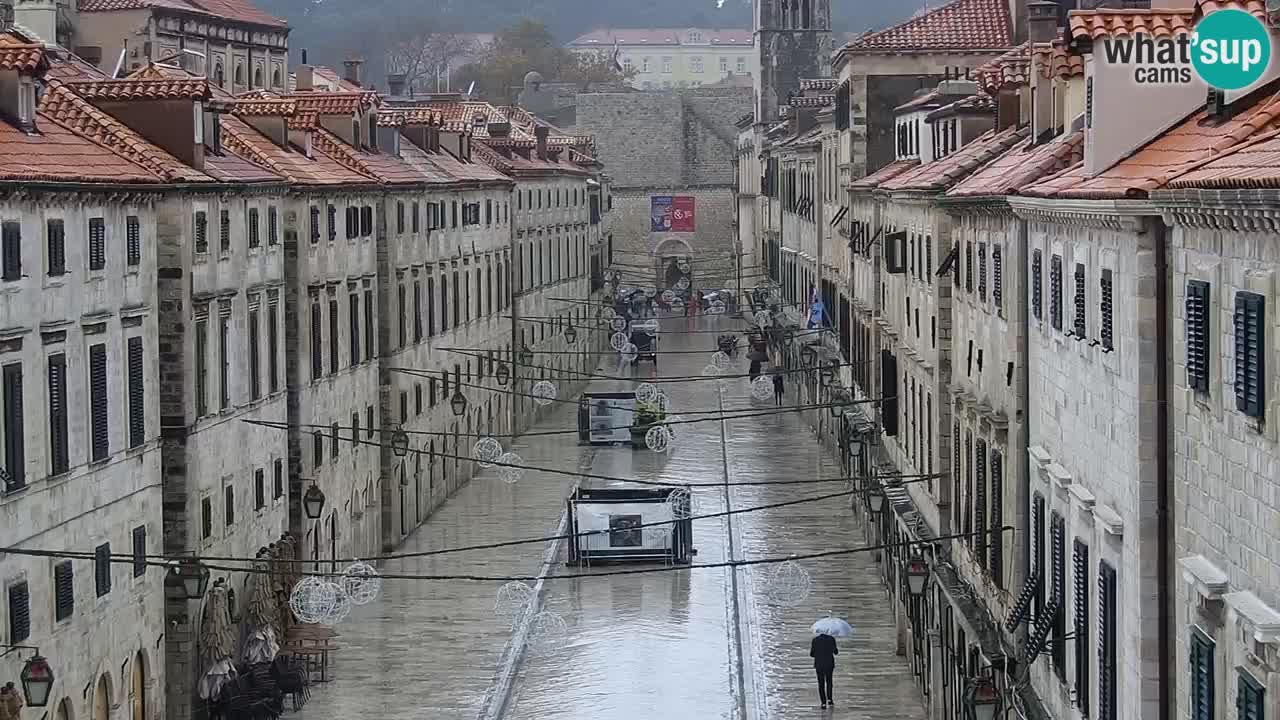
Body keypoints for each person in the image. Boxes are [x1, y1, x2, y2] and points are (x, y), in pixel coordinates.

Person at [810, 632, 838, 707]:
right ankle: (830, 699)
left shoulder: (815, 640)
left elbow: (812, 654)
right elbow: (836, 652)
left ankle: (823, 702)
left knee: (821, 683)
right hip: (829, 664)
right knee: (829, 682)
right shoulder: (831, 639)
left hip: (819, 665)